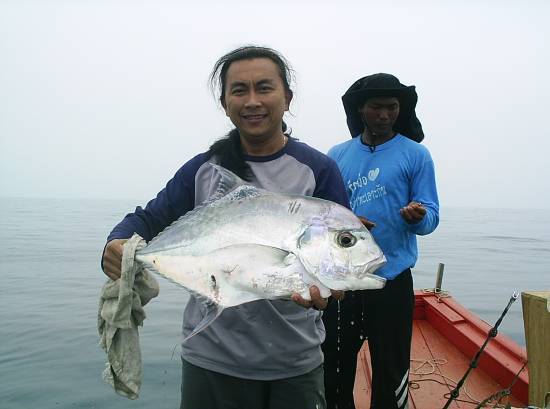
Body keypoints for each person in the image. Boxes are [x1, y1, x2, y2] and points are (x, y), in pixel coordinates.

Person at [101, 45, 350, 409]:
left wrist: (333, 290)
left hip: (294, 361)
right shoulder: (204, 170)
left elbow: (339, 251)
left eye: (264, 88)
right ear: (225, 102)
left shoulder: (319, 170)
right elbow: (149, 218)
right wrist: (116, 241)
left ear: (287, 97)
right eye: (239, 90)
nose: (252, 101)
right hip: (211, 358)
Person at [322, 73, 440, 409]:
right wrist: (346, 221)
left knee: (391, 370)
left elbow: (432, 215)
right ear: (361, 109)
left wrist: (418, 216)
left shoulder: (416, 155)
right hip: (343, 281)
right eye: (377, 107)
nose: (385, 115)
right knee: (334, 365)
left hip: (393, 279)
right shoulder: (337, 155)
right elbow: (325, 215)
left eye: (392, 107)